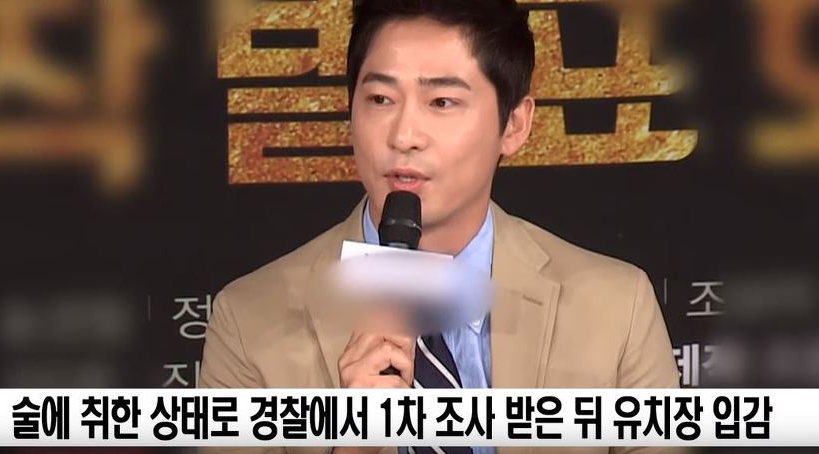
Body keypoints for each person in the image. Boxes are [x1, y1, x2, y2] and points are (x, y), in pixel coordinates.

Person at [200, 0, 680, 453]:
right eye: (381, 98)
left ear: (514, 124)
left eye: (442, 102)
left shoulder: (617, 308)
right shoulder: (247, 323)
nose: (404, 136)